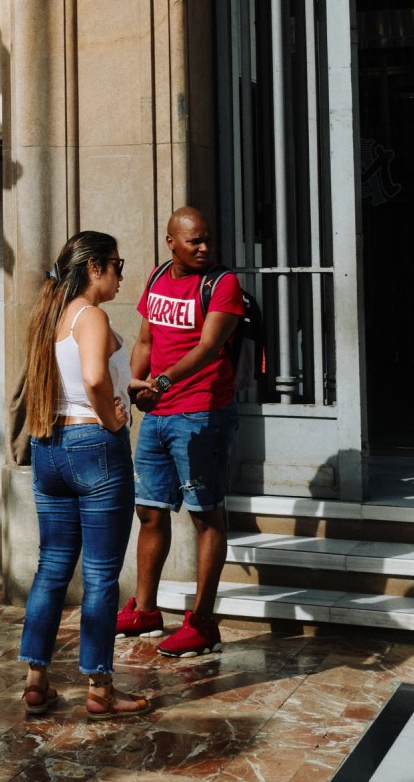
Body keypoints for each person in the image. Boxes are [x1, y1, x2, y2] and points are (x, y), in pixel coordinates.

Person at [18, 232, 149, 722]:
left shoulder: (50, 315)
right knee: (99, 575)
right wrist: (113, 421)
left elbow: (77, 378)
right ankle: (99, 688)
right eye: (117, 265)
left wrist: (124, 389)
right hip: (93, 446)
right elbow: (93, 379)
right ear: (94, 267)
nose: (121, 275)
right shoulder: (91, 315)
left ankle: (36, 682)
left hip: (49, 445)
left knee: (52, 568)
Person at [120, 206, 244, 656]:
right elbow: (146, 341)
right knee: (150, 510)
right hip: (158, 415)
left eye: (208, 238)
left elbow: (210, 347)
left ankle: (203, 622)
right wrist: (131, 387)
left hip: (201, 414)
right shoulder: (157, 278)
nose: (205, 247)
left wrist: (162, 383)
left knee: (206, 517)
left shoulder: (222, 283)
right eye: (195, 241)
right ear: (171, 242)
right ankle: (146, 611)